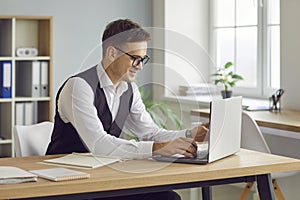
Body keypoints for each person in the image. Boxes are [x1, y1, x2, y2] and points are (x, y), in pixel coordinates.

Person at [46, 19, 209, 200]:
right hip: (67, 182)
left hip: (103, 176)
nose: (139, 66)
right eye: (134, 58)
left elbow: (150, 133)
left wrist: (190, 134)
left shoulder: (129, 89)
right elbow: (99, 144)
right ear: (111, 53)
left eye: (142, 59)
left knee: (168, 198)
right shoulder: (78, 86)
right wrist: (158, 148)